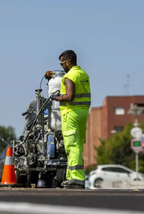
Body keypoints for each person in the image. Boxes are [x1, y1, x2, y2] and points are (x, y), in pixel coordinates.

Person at [51, 50, 91, 189]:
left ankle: (76, 178)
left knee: (71, 146)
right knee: (78, 146)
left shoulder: (69, 76)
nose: (62, 66)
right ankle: (73, 177)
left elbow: (69, 96)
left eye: (62, 63)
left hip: (71, 114)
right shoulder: (83, 74)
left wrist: (56, 98)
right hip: (83, 112)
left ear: (67, 62)